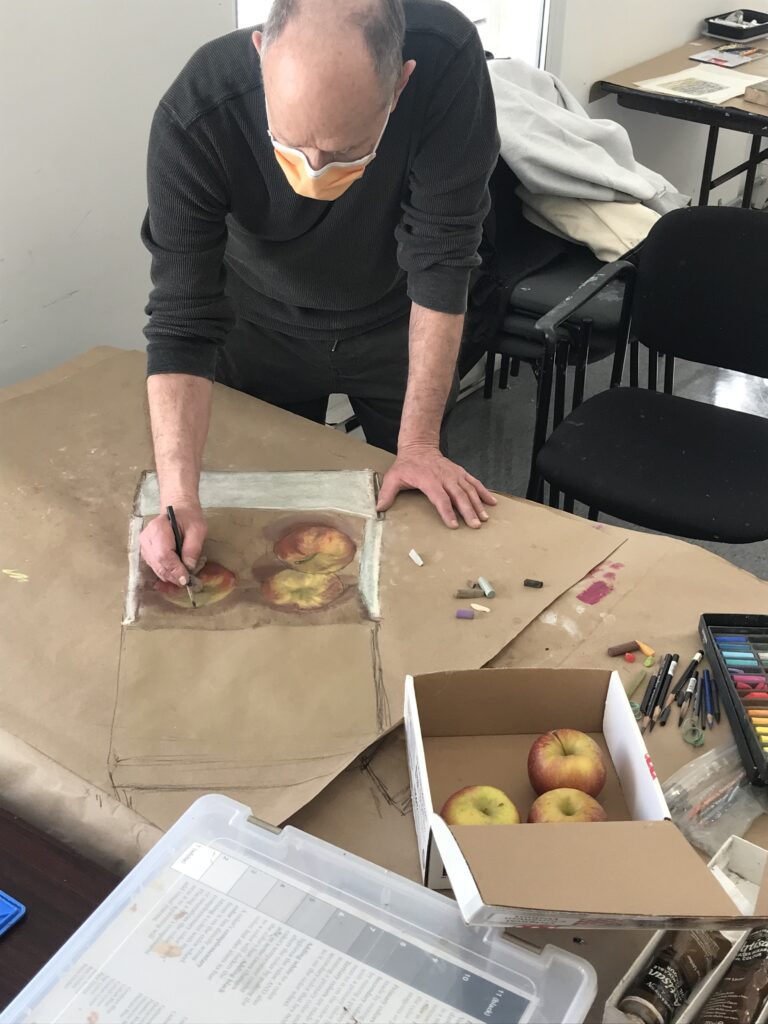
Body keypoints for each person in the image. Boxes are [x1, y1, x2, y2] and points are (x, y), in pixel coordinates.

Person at [140, 0, 500, 586]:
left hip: (398, 321)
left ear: (400, 83)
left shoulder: (446, 59)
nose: (312, 171)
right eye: (292, 141)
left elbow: (442, 258)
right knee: (264, 534)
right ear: (261, 55)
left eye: (342, 151)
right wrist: (177, 500)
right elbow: (183, 318)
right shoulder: (198, 112)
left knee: (420, 522)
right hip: (258, 325)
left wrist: (419, 445)